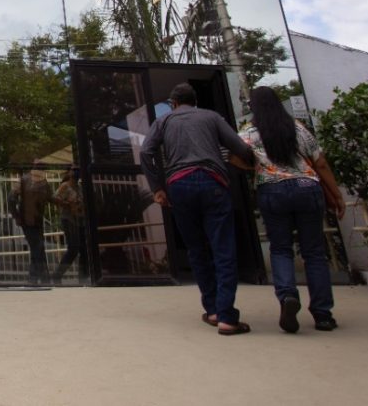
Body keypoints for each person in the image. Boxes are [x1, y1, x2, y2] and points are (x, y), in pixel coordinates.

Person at [141, 82, 257, 335]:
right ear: (195, 102)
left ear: (173, 103)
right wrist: (253, 163)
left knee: (196, 249)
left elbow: (146, 151)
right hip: (212, 181)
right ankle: (226, 316)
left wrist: (157, 188)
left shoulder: (163, 121)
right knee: (223, 248)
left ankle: (212, 309)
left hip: (178, 185)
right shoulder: (211, 117)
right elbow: (240, 148)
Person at [240, 86, 345, 333]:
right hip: (307, 187)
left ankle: (287, 296)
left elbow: (233, 155)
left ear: (253, 107)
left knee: (280, 249)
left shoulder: (249, 133)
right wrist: (337, 195)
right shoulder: (297, 128)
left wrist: (256, 165)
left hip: (272, 189)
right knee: (314, 252)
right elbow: (320, 162)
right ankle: (323, 314)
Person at [12, 161, 53, 284]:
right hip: (27, 220)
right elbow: (11, 198)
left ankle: (39, 278)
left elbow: (51, 197)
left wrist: (65, 203)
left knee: (38, 248)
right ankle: (37, 278)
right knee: (37, 247)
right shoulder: (24, 180)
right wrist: (17, 216)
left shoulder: (44, 183)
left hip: (37, 220)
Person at [52, 164, 87, 284]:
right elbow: (54, 198)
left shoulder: (79, 187)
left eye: (78, 170)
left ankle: (83, 277)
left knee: (84, 249)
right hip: (69, 219)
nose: (77, 172)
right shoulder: (65, 186)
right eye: (74, 170)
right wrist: (68, 204)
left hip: (80, 220)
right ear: (69, 172)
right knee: (73, 248)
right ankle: (57, 275)